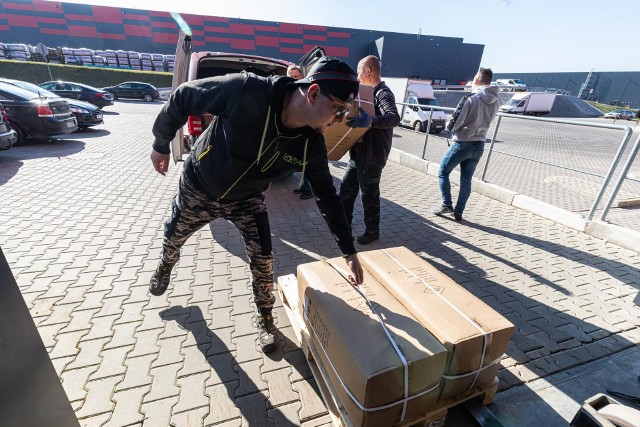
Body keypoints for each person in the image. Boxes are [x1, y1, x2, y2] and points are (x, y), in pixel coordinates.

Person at [149, 57, 364, 353]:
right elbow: (184, 95)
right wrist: (161, 144)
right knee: (174, 236)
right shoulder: (246, 90)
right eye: (338, 108)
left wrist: (348, 251)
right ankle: (165, 264)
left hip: (247, 201)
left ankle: (265, 320)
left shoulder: (310, 144)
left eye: (345, 111)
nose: (340, 119)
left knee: (264, 262)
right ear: (313, 93)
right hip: (201, 185)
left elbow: (327, 194)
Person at [339, 55, 400, 245]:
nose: (357, 76)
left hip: (373, 156)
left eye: (359, 72)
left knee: (369, 195)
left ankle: (372, 231)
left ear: (367, 71)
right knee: (346, 190)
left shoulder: (382, 93)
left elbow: (394, 117)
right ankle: (343, 227)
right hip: (359, 155)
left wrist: (372, 121)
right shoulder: (365, 93)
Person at [434, 67, 499, 222]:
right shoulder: (495, 101)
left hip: (463, 143)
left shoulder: (471, 98)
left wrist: (449, 127)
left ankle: (446, 205)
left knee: (443, 171)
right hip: (479, 144)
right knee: (466, 179)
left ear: (477, 79)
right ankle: (459, 212)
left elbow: (456, 121)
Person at [287, 64, 314, 200]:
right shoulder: (288, 90)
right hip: (295, 133)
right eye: (290, 76)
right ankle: (304, 186)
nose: (293, 79)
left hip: (306, 132)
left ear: (301, 76)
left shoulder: (306, 91)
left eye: (295, 76)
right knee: (301, 162)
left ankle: (309, 189)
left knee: (307, 162)